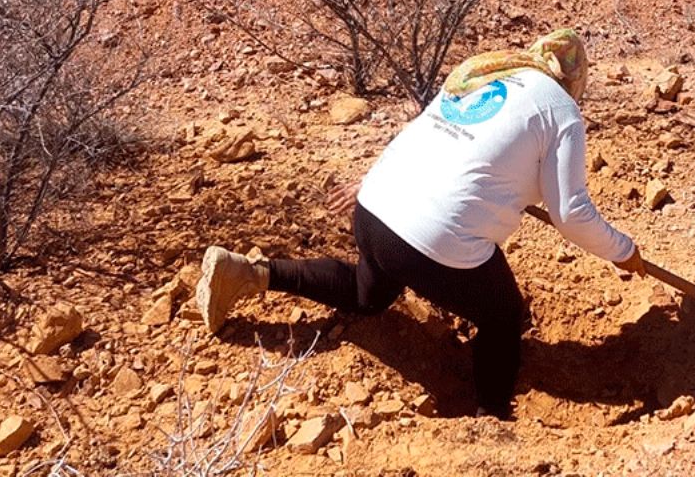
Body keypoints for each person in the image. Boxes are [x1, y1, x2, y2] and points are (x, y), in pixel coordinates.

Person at [194, 28, 645, 419]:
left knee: (365, 293)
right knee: (505, 316)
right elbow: (571, 213)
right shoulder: (561, 111)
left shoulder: (486, 73)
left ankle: (250, 272)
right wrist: (623, 251)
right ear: (574, 78)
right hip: (431, 237)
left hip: (373, 208)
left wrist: (372, 182)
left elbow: (423, 134)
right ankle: (490, 420)